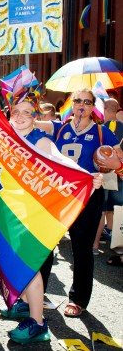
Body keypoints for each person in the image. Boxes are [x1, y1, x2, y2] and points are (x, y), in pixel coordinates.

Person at [2, 86, 103, 343]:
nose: (22, 116)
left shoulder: (41, 140)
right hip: (14, 210)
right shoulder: (8, 136)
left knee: (33, 262)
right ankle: (26, 304)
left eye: (28, 112)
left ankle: (37, 324)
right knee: (18, 260)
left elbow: (63, 162)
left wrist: (88, 179)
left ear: (35, 116)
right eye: (17, 111)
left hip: (38, 210)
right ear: (11, 113)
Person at [36, 89, 119, 318]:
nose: (82, 105)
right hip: (58, 197)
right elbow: (30, 128)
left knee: (82, 249)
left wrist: (105, 175)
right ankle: (37, 293)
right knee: (45, 245)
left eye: (87, 101)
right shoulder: (59, 128)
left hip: (88, 199)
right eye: (78, 100)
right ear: (72, 105)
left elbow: (116, 167)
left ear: (94, 107)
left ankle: (79, 299)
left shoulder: (102, 133)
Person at [92, 98, 123, 254]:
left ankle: (95, 245)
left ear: (105, 109)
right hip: (119, 172)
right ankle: (117, 247)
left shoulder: (102, 129)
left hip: (106, 173)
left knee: (102, 209)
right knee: (118, 209)